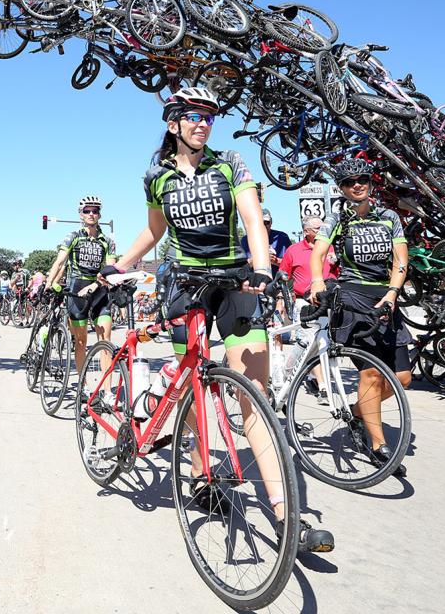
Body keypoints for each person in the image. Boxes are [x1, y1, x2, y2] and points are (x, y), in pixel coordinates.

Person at [107, 86, 333, 554]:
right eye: (194, 115)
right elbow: (154, 230)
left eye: (209, 116)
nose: (203, 123)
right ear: (173, 123)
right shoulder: (156, 176)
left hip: (234, 282)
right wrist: (120, 265)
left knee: (255, 396)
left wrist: (261, 268)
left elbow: (252, 219)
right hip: (184, 285)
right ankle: (199, 472)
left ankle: (288, 517)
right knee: (192, 388)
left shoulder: (230, 162)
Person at [309, 157, 411, 476]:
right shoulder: (338, 218)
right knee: (371, 374)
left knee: (402, 378)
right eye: (350, 182)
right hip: (353, 298)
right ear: (342, 188)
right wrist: (317, 280)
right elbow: (319, 252)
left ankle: (357, 411)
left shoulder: (389, 217)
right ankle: (379, 446)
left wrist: (392, 293)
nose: (357, 185)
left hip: (386, 298)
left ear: (370, 183)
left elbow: (400, 259)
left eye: (362, 179)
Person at [45, 195, 116, 377]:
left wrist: (98, 284)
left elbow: (110, 269)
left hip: (99, 290)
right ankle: (82, 385)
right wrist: (49, 283)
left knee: (105, 341)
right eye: (87, 211)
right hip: (77, 289)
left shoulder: (107, 241)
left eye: (95, 211)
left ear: (99, 215)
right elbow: (60, 262)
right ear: (81, 214)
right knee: (81, 342)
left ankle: (107, 390)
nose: (91, 214)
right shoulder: (73, 236)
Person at [277, 216, 339, 401]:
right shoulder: (294, 250)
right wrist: (280, 299)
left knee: (324, 341)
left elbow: (340, 272)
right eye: (318, 228)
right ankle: (323, 385)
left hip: (330, 301)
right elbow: (283, 276)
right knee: (312, 340)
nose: (323, 230)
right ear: (306, 231)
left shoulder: (331, 247)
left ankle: (294, 370)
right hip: (305, 302)